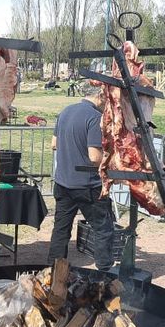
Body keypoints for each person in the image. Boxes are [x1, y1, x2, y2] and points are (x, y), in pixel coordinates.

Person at [47, 86, 117, 272]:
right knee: (103, 229)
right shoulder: (95, 118)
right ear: (101, 96)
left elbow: (53, 144)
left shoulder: (65, 111)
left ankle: (54, 272)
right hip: (88, 187)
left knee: (61, 230)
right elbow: (94, 157)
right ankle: (104, 272)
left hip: (62, 183)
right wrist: (113, 162)